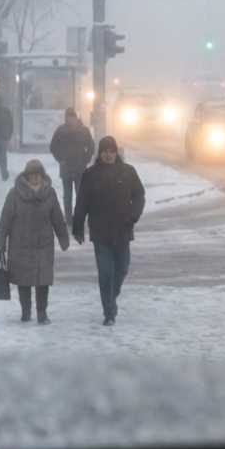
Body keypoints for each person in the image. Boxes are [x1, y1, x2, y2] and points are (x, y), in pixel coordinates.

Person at [73, 136, 145, 326]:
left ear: (116, 152)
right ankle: (109, 312)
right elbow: (82, 202)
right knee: (105, 272)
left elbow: (139, 195)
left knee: (122, 268)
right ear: (100, 153)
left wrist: (133, 216)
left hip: (123, 229)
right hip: (100, 232)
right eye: (104, 151)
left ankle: (111, 298)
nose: (108, 154)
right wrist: (78, 225)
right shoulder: (90, 175)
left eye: (111, 150)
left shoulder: (128, 172)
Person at [0, 159, 70, 324]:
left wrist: (63, 237)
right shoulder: (14, 194)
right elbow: (6, 218)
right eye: (32, 176)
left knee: (43, 281)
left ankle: (42, 314)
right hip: (20, 245)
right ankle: (26, 311)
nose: (35, 178)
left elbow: (57, 218)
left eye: (37, 175)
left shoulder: (50, 194)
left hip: (43, 245)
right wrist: (0, 240)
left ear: (42, 176)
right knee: (24, 281)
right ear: (26, 177)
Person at [49, 107, 95, 228]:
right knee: (69, 194)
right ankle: (70, 219)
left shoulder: (80, 130)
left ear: (75, 117)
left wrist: (85, 159)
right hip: (70, 167)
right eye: (69, 117)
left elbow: (91, 146)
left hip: (77, 167)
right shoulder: (64, 131)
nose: (70, 119)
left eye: (72, 117)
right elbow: (53, 147)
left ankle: (76, 217)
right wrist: (61, 158)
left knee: (77, 194)